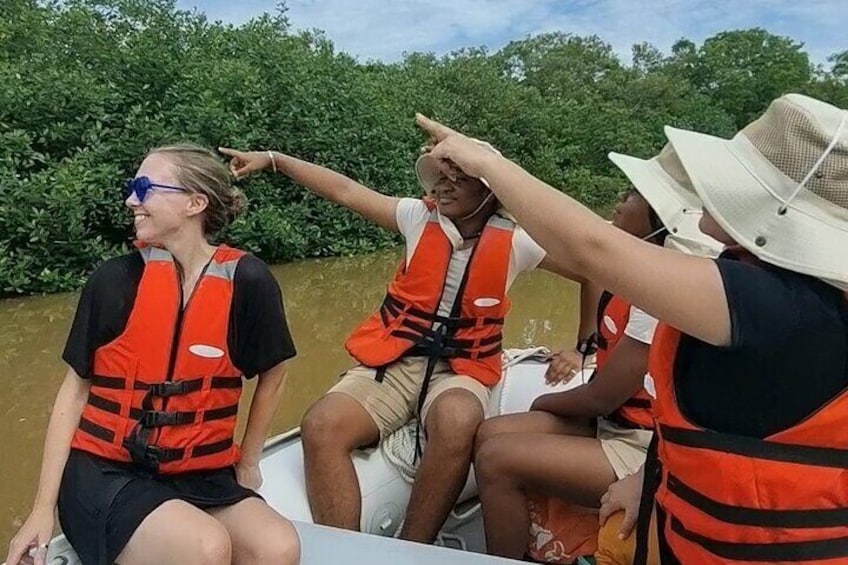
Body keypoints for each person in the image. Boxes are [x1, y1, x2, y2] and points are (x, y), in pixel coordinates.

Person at [417, 92, 848, 564]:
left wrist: (488, 164)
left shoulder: (775, 303)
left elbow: (591, 249)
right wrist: (645, 477)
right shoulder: (778, 295)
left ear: (773, 212)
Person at [217, 143, 593, 544]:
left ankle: (415, 547)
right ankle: (350, 551)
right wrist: (276, 160)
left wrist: (582, 346)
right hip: (395, 360)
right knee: (321, 425)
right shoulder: (417, 217)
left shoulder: (519, 241)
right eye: (440, 179)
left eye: (457, 180)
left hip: (463, 367)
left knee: (457, 419)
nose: (441, 188)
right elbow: (345, 191)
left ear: (490, 191)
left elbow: (593, 271)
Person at [5, 144, 301, 565]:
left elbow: (275, 372)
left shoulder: (247, 281)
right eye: (132, 187)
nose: (131, 200)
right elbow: (74, 394)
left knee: (278, 547)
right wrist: (40, 509)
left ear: (194, 204)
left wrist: (249, 459)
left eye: (143, 187)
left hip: (200, 472)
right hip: (107, 473)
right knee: (206, 546)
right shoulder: (114, 280)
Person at [471, 186, 665, 561]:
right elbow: (571, 237)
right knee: (490, 432)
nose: (617, 203)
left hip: (641, 444)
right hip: (611, 423)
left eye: (629, 197)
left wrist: (543, 401)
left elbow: (602, 397)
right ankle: (545, 543)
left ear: (656, 217)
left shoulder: (659, 294)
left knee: (498, 459)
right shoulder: (631, 265)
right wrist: (583, 347)